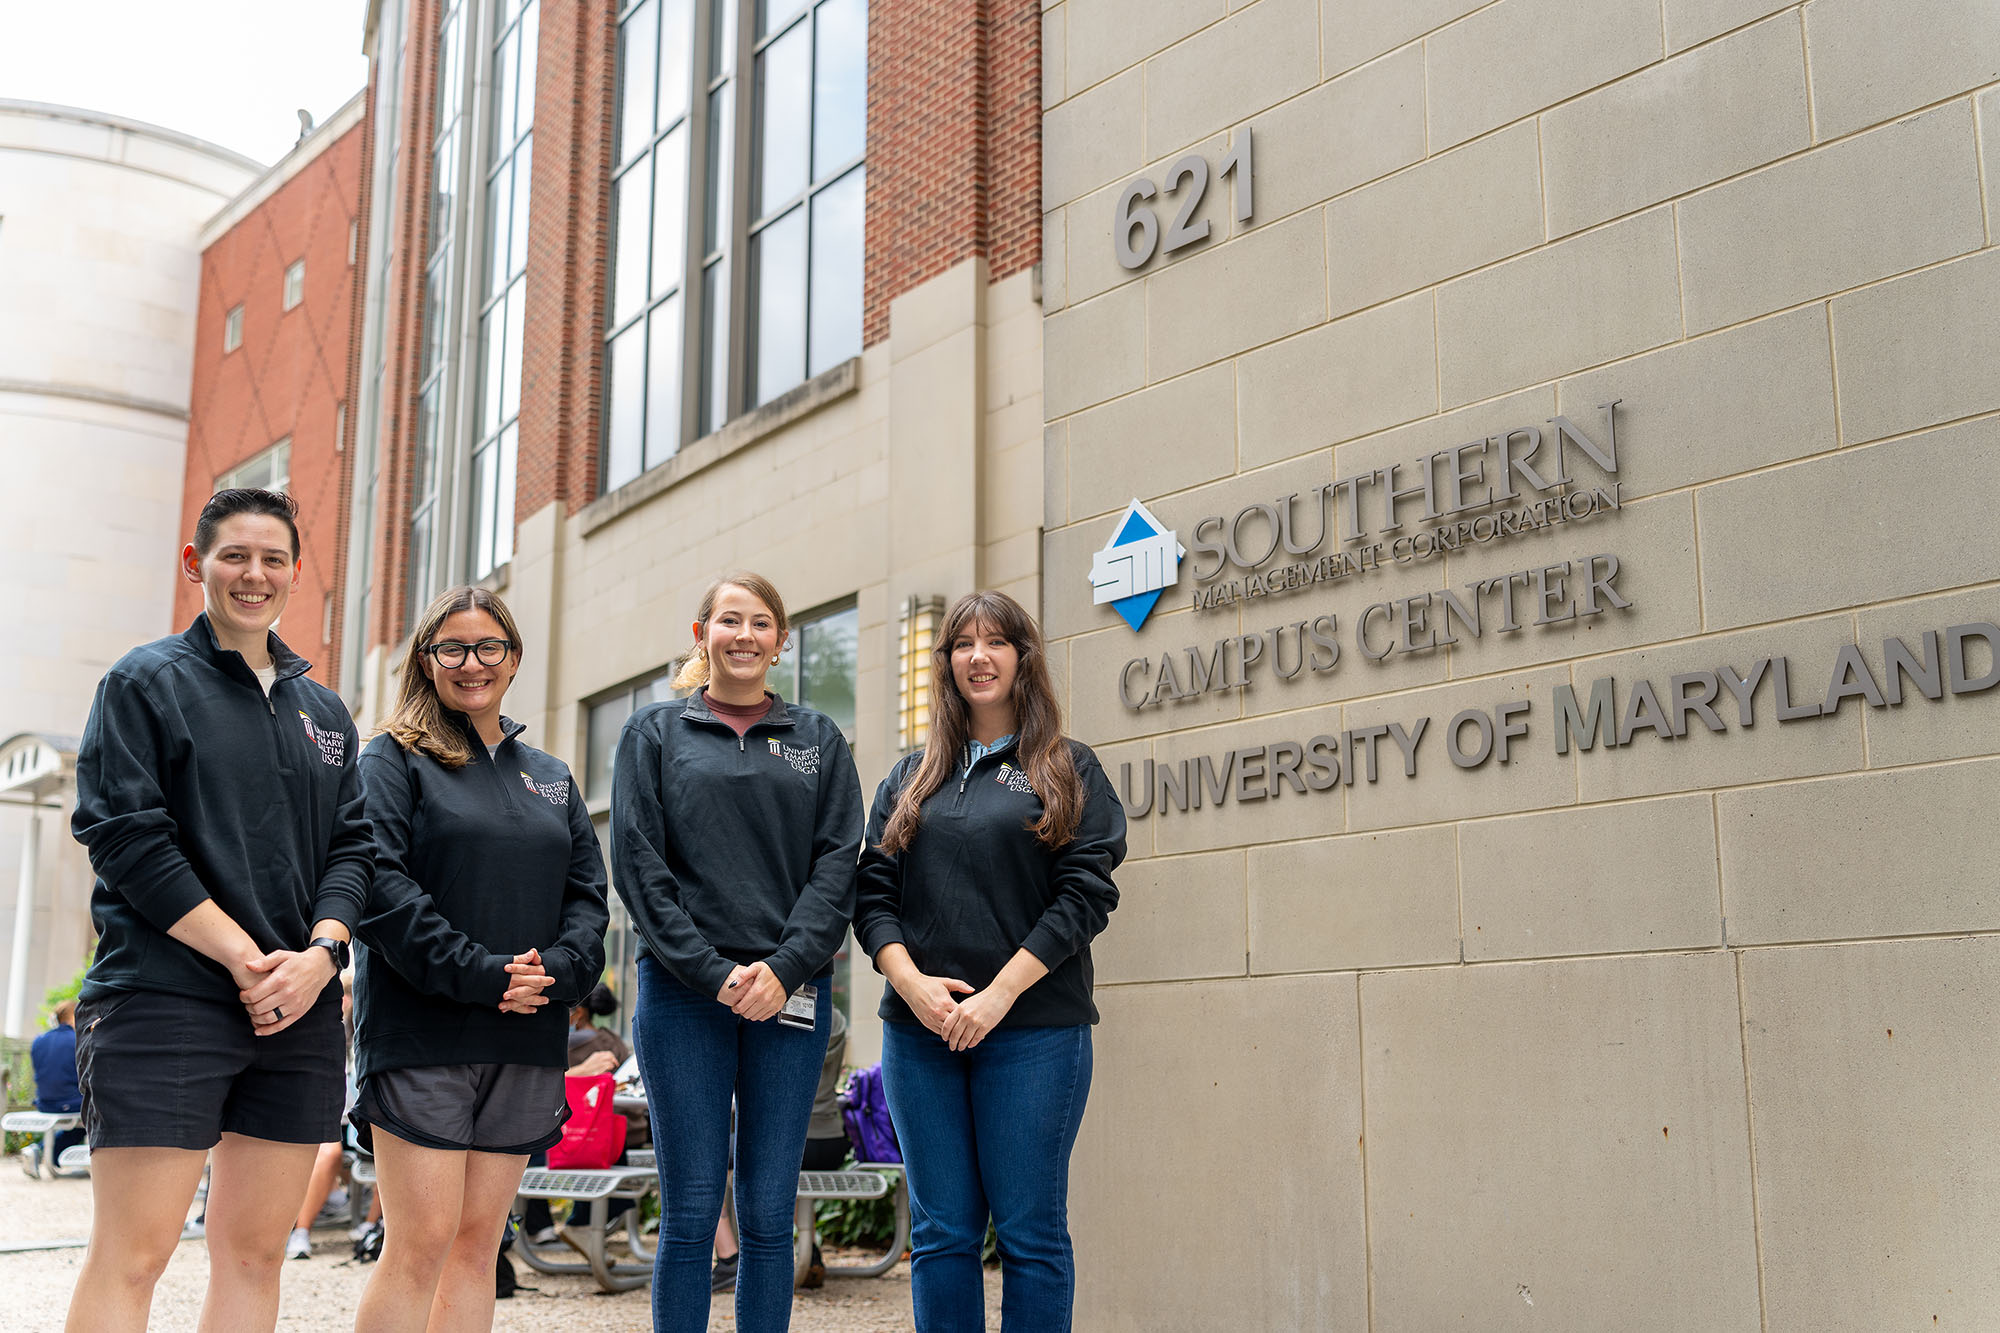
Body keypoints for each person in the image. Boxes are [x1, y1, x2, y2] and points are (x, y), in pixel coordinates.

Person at [64, 487, 372, 1333]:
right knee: (135, 1255)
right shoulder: (145, 680)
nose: (254, 574)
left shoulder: (325, 712)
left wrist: (321, 955)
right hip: (166, 998)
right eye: (235, 555)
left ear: (296, 573)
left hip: (297, 1008)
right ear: (197, 564)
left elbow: (355, 848)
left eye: (273, 558)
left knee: (254, 1254)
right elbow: (127, 839)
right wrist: (244, 957)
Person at [855, 590, 1126, 1333]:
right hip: (922, 1035)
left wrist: (997, 997)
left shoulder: (1067, 767)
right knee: (941, 1235)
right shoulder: (911, 776)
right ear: (944, 664)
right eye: (962, 644)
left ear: (1021, 657)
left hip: (1033, 1032)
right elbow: (872, 894)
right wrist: (911, 986)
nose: (978, 656)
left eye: (995, 641)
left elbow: (1084, 898)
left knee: (1030, 1234)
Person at [350, 585, 609, 1333]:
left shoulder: (552, 777)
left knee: (476, 1243)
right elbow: (381, 886)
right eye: (453, 648)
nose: (472, 662)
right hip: (424, 1029)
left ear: (515, 658)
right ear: (427, 661)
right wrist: (481, 972)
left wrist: (555, 972)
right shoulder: (393, 759)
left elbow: (589, 898)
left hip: (523, 1034)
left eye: (489, 646)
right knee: (420, 1241)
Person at [612, 571, 862, 1333]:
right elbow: (640, 867)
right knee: (690, 1208)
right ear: (702, 635)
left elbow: (837, 865)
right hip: (686, 994)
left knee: (763, 1211)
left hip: (790, 995)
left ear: (781, 642)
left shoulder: (818, 740)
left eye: (760, 623)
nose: (745, 634)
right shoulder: (653, 734)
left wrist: (782, 969)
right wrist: (716, 973)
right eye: (729, 620)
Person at [27, 1000, 84, 1170]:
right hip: (71, 1103)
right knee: (97, 1115)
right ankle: (46, 1153)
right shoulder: (78, 1040)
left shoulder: (39, 1040)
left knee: (78, 1125)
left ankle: (38, 1151)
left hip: (44, 1103)